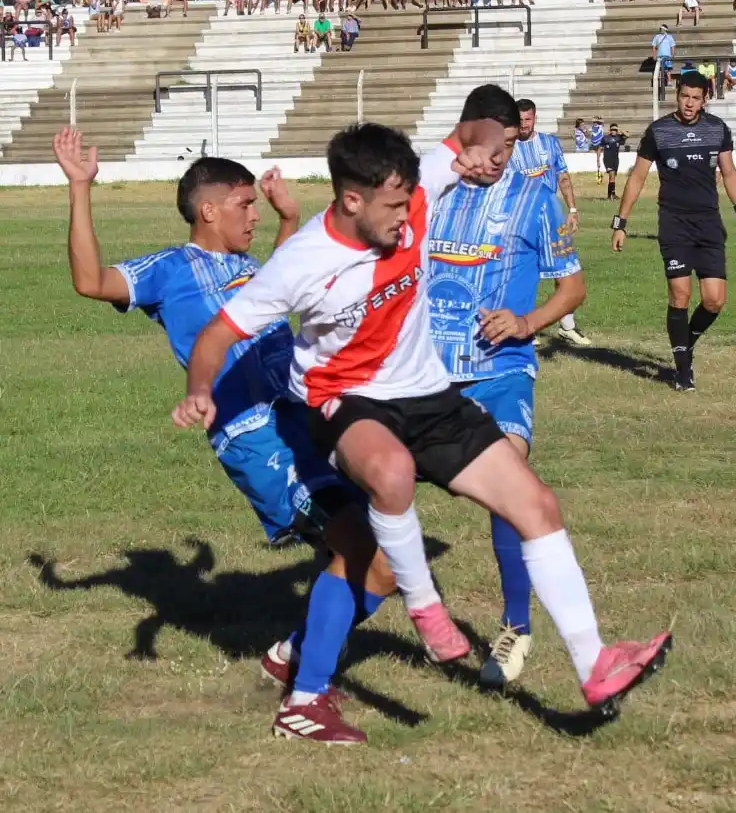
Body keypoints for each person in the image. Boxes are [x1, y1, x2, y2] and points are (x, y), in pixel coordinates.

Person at [173, 108, 673, 717]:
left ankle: (593, 664)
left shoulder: (411, 193)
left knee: (537, 506)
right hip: (343, 399)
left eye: (410, 200)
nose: (407, 217)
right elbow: (216, 338)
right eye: (392, 208)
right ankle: (425, 608)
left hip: (428, 394)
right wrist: (201, 391)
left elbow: (475, 129)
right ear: (351, 201)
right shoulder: (300, 263)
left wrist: (488, 147)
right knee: (390, 474)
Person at [53, 127, 394, 745]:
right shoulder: (169, 270)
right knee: (366, 550)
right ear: (208, 210)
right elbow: (89, 281)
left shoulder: (247, 267)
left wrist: (291, 220)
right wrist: (80, 188)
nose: (253, 216)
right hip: (256, 435)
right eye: (245, 204)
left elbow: (280, 288)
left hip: (305, 417)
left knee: (378, 565)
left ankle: (291, 658)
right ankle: (304, 701)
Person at [427, 89, 588, 687]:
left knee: (510, 485)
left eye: (511, 145)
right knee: (376, 495)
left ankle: (515, 628)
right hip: (428, 376)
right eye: (491, 144)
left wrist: (526, 323)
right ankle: (328, 630)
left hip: (502, 371)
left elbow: (573, 292)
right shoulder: (431, 196)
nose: (500, 157)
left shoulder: (536, 200)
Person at [611, 71, 736, 391]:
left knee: (715, 300)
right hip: (674, 223)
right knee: (681, 295)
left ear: (706, 100)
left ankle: (684, 343)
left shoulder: (717, 130)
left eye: (695, 98)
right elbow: (637, 178)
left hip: (709, 223)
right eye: (684, 96)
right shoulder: (659, 132)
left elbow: (729, 173)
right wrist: (621, 223)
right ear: (677, 95)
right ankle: (682, 369)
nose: (689, 104)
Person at [508, 99, 591, 348]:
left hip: (553, 217)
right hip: (521, 219)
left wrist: (573, 210)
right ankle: (525, 327)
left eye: (528, 119)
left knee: (565, 270)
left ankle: (567, 327)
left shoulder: (550, 144)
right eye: (519, 120)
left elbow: (563, 177)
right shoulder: (507, 148)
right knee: (523, 274)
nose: (524, 124)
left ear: (535, 118)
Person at [600, 124, 628, 200]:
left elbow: (627, 135)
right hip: (607, 159)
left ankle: (611, 195)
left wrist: (620, 130)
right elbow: (600, 148)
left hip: (615, 160)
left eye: (615, 130)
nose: (613, 131)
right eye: (612, 129)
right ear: (610, 130)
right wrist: (597, 160)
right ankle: (612, 195)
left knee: (613, 178)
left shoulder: (619, 138)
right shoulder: (605, 138)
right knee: (612, 175)